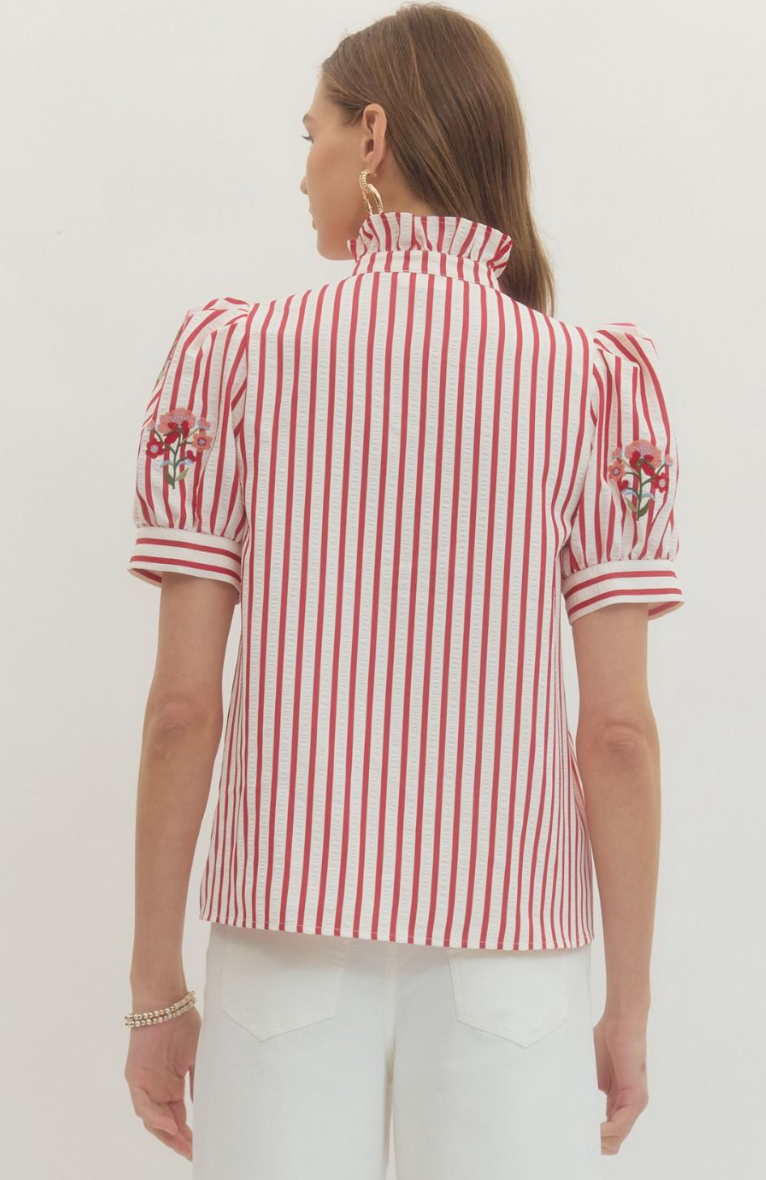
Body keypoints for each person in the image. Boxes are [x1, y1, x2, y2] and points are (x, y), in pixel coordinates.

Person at [122, 5, 685, 1178]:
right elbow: (618, 734)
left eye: (313, 134)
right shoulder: (589, 382)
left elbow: (182, 707)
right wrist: (627, 1007)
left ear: (371, 136)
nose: (303, 171)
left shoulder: (235, 359)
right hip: (511, 961)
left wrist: (155, 989)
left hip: (283, 948)